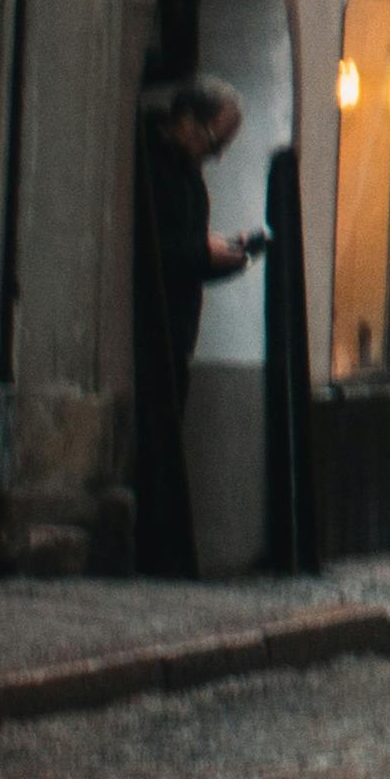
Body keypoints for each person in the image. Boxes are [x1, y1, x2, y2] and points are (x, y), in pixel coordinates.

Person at [131, 75, 251, 573]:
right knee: (151, 443)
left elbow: (180, 251)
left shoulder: (183, 171)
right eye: (214, 138)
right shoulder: (152, 168)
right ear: (184, 121)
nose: (217, 153)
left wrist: (220, 256)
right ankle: (150, 554)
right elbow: (151, 251)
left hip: (175, 328)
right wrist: (202, 254)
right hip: (147, 332)